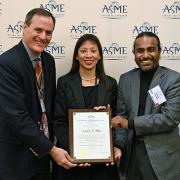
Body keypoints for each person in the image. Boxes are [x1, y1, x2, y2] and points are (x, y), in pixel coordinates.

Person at [0, 8, 76, 180]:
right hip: (17, 160)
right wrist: (50, 149)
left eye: (49, 32)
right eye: (38, 30)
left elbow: (49, 106)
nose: (43, 37)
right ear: (24, 27)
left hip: (42, 158)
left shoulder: (48, 61)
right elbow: (16, 116)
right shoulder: (7, 63)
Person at [111, 31, 180, 180]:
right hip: (131, 157)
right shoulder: (125, 79)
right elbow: (121, 116)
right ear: (134, 53)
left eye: (151, 49)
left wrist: (129, 123)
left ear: (159, 52)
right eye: (140, 50)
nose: (145, 55)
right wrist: (119, 146)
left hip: (162, 158)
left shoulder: (174, 79)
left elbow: (170, 119)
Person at [52, 33, 122, 180]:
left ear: (100, 55)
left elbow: (118, 120)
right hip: (72, 159)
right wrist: (74, 148)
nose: (88, 55)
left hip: (103, 162)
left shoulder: (110, 84)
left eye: (93, 50)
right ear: (76, 56)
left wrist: (116, 145)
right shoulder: (64, 82)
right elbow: (58, 121)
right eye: (83, 51)